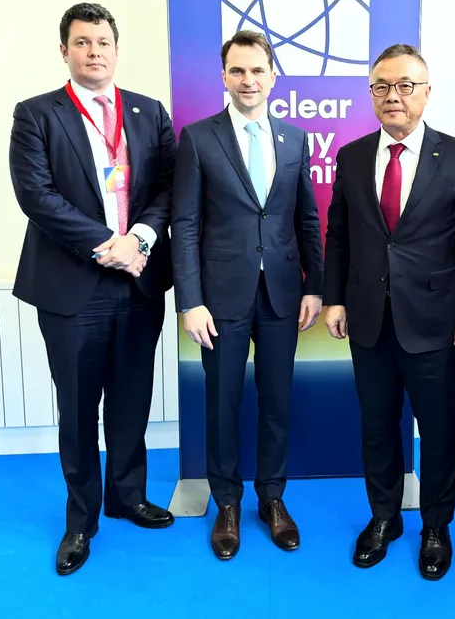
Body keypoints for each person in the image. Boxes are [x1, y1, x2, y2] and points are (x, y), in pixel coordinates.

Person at [9, 3, 176, 576]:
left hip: (140, 279)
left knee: (131, 397)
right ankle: (80, 520)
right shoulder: (36, 114)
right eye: (82, 42)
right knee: (79, 408)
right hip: (73, 284)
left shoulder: (149, 112)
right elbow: (36, 196)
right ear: (65, 51)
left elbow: (169, 186)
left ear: (116, 49)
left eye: (103, 41)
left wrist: (141, 238)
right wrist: (110, 243)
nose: (94, 51)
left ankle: (128, 497)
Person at [322, 44, 455, 580]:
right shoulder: (351, 156)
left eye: (405, 85)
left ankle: (436, 526)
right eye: (382, 86)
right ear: (372, 94)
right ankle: (384, 517)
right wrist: (334, 298)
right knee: (377, 425)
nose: (393, 96)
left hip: (434, 319)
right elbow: (338, 235)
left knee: (437, 429)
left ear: (426, 92)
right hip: (367, 317)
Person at [171, 30, 323, 560]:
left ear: (273, 76)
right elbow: (185, 225)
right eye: (237, 70)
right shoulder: (197, 139)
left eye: (257, 70)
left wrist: (315, 286)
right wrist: (190, 300)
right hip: (219, 299)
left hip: (282, 296)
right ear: (224, 77)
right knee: (223, 403)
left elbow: (307, 219)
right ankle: (228, 503)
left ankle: (272, 498)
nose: (248, 80)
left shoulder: (295, 139)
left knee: (277, 401)